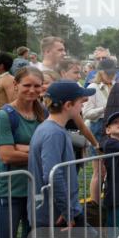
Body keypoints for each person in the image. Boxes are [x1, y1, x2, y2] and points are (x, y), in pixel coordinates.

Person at [0, 67, 46, 238]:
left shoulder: (42, 114)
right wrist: (37, 153)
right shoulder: (4, 117)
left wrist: (22, 148)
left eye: (37, 86)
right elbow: (5, 155)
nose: (32, 90)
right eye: (27, 85)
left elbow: (51, 143)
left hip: (33, 191)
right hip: (7, 192)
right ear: (15, 85)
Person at [29, 81, 95, 229]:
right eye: (79, 102)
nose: (82, 106)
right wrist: (67, 211)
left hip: (57, 210)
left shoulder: (51, 129)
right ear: (68, 105)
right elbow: (53, 175)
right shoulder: (53, 133)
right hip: (56, 214)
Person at [90, 111, 119, 228]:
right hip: (116, 199)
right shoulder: (110, 144)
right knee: (117, 232)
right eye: (116, 122)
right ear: (108, 130)